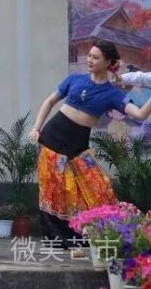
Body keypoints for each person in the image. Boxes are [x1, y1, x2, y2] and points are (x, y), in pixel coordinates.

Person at [29, 40, 151, 252]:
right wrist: (36, 128)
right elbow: (50, 101)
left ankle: (103, 233)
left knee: (98, 187)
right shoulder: (75, 79)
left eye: (95, 57)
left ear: (108, 62)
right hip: (51, 140)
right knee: (53, 191)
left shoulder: (112, 94)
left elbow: (140, 115)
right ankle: (58, 239)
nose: (90, 60)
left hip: (77, 145)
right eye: (89, 56)